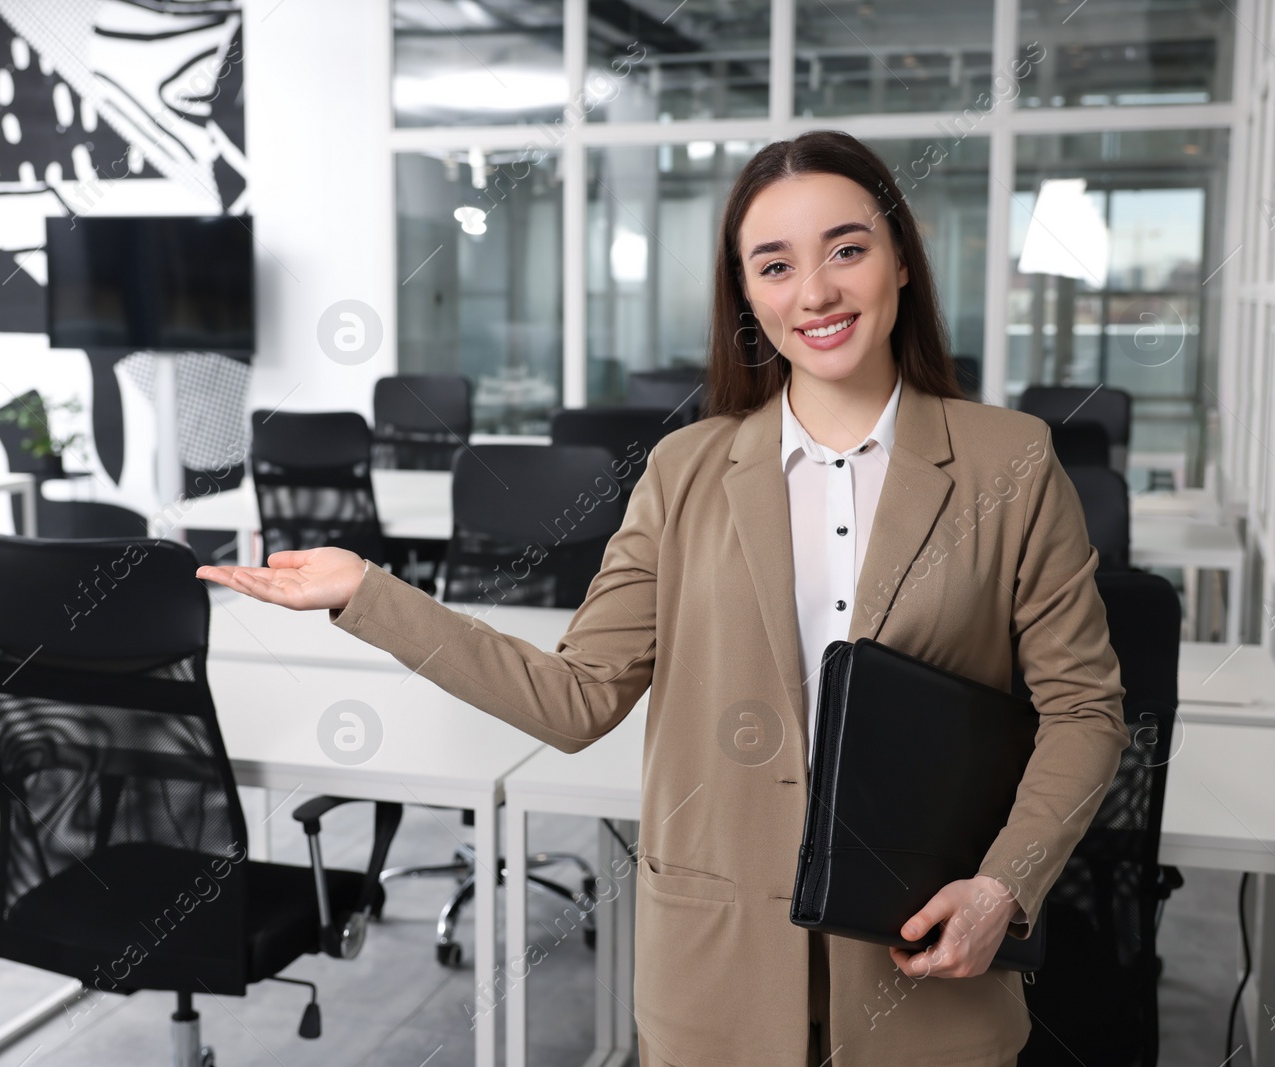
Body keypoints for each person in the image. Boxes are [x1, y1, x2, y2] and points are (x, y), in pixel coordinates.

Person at [198, 130, 1130, 1067]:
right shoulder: (684, 473)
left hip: (928, 976)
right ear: (747, 296)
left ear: (901, 265)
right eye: (776, 264)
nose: (815, 292)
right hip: (716, 979)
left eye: (847, 249)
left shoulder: (1008, 461)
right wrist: (371, 593)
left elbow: (1085, 710)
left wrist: (1004, 888)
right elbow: (574, 700)